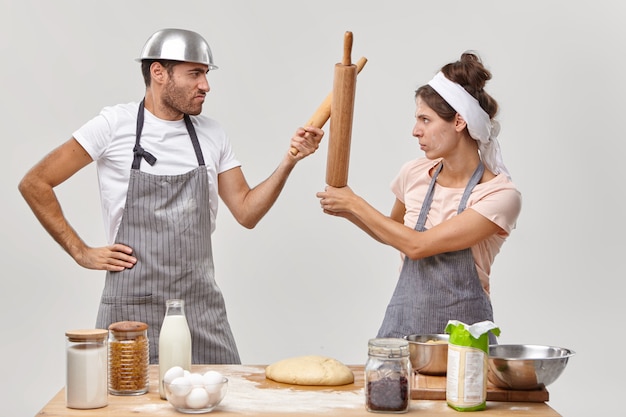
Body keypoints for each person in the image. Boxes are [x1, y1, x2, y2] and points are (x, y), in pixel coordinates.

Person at [18, 28, 324, 364]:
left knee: (226, 400)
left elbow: (247, 212)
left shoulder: (212, 134)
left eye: (205, 74)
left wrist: (289, 161)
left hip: (199, 307)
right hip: (130, 310)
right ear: (159, 73)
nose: (205, 85)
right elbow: (36, 182)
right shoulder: (113, 126)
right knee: (123, 406)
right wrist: (80, 251)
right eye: (195, 74)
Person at [316, 52, 521, 342]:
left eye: (425, 119)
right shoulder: (413, 173)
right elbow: (393, 232)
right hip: (403, 337)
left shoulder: (499, 195)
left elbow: (417, 245)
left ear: (459, 122)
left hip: (464, 348)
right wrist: (347, 210)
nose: (415, 131)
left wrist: (355, 203)